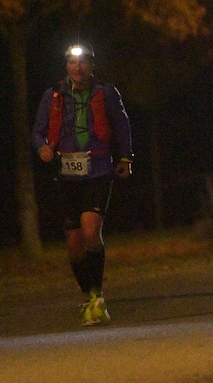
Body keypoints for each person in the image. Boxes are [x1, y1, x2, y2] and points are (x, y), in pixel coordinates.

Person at [32, 44, 133, 326]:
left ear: (91, 65)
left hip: (98, 169)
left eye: (83, 62)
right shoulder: (52, 96)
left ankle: (97, 294)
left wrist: (125, 157)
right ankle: (88, 296)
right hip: (66, 175)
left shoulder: (107, 93)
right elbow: (38, 131)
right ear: (66, 65)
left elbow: (122, 125)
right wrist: (42, 148)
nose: (78, 68)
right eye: (72, 62)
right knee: (74, 243)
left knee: (91, 230)